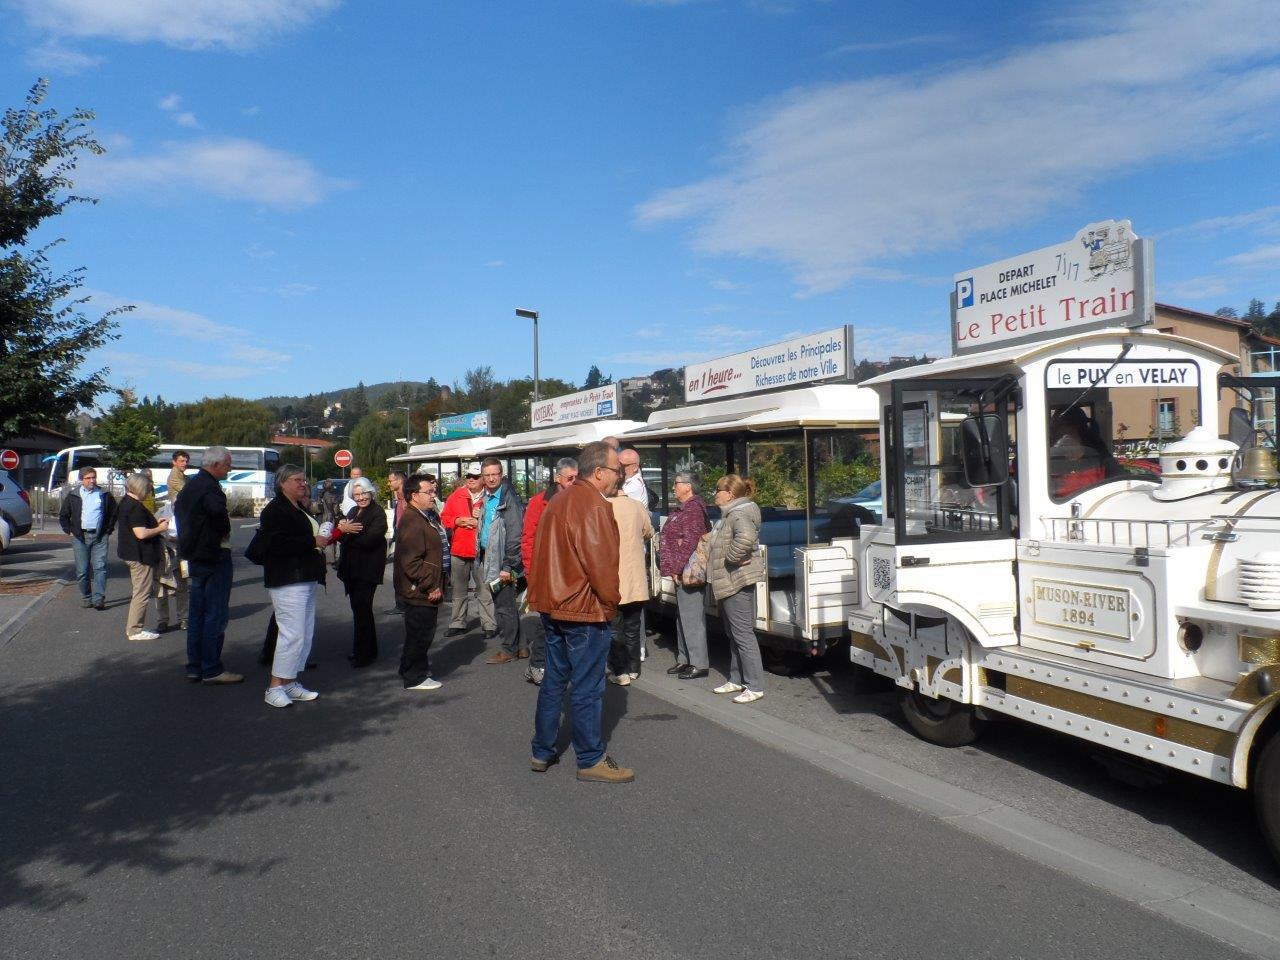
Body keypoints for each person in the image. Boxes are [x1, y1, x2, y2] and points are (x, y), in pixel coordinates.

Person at [527, 440, 633, 783]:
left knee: (555, 681)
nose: (620, 477)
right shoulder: (593, 505)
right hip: (582, 608)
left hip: (553, 605)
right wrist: (610, 603)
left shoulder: (558, 500)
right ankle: (590, 758)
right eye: (617, 471)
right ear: (599, 472)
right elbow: (601, 565)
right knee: (588, 687)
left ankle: (542, 751)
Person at [258, 464, 327, 708]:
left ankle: (290, 681)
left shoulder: (296, 507)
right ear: (283, 483)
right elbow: (277, 544)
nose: (303, 484)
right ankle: (275, 686)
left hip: (303, 576)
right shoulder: (275, 510)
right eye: (297, 480)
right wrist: (313, 541)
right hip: (287, 579)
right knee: (291, 634)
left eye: (304, 480)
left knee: (304, 633)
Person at [175, 446, 242, 685]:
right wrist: (222, 530)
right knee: (215, 614)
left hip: (194, 555)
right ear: (216, 464)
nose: (230, 468)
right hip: (213, 555)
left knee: (197, 614)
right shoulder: (210, 488)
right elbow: (218, 515)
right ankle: (212, 668)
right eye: (227, 464)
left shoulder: (190, 486)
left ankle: (196, 666)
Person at [707, 474, 767, 703]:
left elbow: (746, 537)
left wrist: (731, 558)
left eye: (718, 490)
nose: (715, 494)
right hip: (729, 581)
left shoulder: (738, 513)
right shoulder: (730, 514)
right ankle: (736, 679)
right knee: (734, 633)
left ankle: (755, 685)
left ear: (730, 494)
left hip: (737, 581)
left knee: (742, 634)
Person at [520, 457, 577, 685]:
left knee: (565, 623)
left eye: (577, 478)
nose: (574, 482)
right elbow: (528, 539)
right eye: (570, 478)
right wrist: (531, 571)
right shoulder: (539, 502)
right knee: (547, 622)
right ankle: (537, 664)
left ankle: (556, 665)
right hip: (545, 571)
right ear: (558, 478)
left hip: (569, 572)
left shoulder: (577, 499)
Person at [395, 474, 446, 691]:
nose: (434, 495)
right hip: (419, 589)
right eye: (429, 492)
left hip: (422, 586)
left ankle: (409, 667)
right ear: (415, 496)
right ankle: (415, 677)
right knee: (421, 633)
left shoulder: (423, 516)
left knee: (418, 632)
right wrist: (430, 585)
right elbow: (411, 561)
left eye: (434, 491)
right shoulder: (413, 520)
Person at [659, 471, 711, 678]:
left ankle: (699, 662)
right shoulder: (685, 508)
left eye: (676, 483)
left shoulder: (693, 509)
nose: (673, 487)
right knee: (683, 617)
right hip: (682, 571)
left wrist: (677, 568)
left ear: (688, 486)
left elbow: (690, 542)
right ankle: (685, 659)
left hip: (689, 572)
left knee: (692, 618)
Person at [478, 458, 526, 664]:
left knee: (504, 606)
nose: (490, 478)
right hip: (490, 558)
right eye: (487, 475)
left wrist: (508, 566)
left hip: (502, 562)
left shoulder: (507, 499)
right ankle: (521, 646)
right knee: (507, 606)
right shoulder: (490, 497)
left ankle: (509, 650)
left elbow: (515, 535)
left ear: (501, 474)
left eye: (494, 474)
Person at [337, 476, 388, 667]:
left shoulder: (377, 513)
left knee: (362, 611)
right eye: (357, 495)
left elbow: (370, 540)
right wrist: (343, 530)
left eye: (363, 493)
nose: (361, 498)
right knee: (360, 611)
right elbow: (341, 534)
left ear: (371, 492)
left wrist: (347, 531)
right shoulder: (353, 510)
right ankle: (368, 649)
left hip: (367, 570)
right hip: (353, 570)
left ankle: (363, 655)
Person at [440, 463, 495, 638]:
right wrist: (457, 521)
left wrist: (480, 520)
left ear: (482, 479)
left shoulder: (490, 497)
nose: (471, 479)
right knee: (458, 590)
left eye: (475, 476)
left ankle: (489, 624)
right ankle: (457, 623)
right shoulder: (456, 495)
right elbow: (445, 519)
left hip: (481, 551)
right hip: (459, 550)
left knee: (484, 590)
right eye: (469, 476)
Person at [607, 484, 653, 685]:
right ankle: (635, 668)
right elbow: (649, 532)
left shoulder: (604, 506)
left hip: (614, 576)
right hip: (636, 578)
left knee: (615, 628)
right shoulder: (637, 506)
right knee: (633, 626)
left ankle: (621, 670)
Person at [117, 472, 169, 641]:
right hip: (140, 555)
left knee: (140, 591)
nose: (149, 492)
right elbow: (141, 533)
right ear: (140, 488)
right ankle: (135, 630)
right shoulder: (135, 507)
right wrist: (160, 529)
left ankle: (134, 628)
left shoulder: (126, 502)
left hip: (131, 553)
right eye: (147, 489)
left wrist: (154, 522)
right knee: (142, 593)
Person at [59, 466, 118, 610]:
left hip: (99, 536)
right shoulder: (74, 495)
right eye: (88, 478)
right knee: (82, 571)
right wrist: (69, 530)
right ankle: (86, 597)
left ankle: (99, 598)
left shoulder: (104, 494)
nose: (92, 481)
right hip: (80, 537)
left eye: (93, 477)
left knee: (100, 567)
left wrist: (108, 530)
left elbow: (114, 513)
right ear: (81, 480)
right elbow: (63, 515)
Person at [384, 469, 408, 614]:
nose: (389, 483)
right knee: (399, 573)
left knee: (403, 573)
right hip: (400, 537)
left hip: (407, 539)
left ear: (399, 481)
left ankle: (404, 605)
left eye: (391, 480)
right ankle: (401, 604)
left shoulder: (407, 496)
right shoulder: (399, 497)